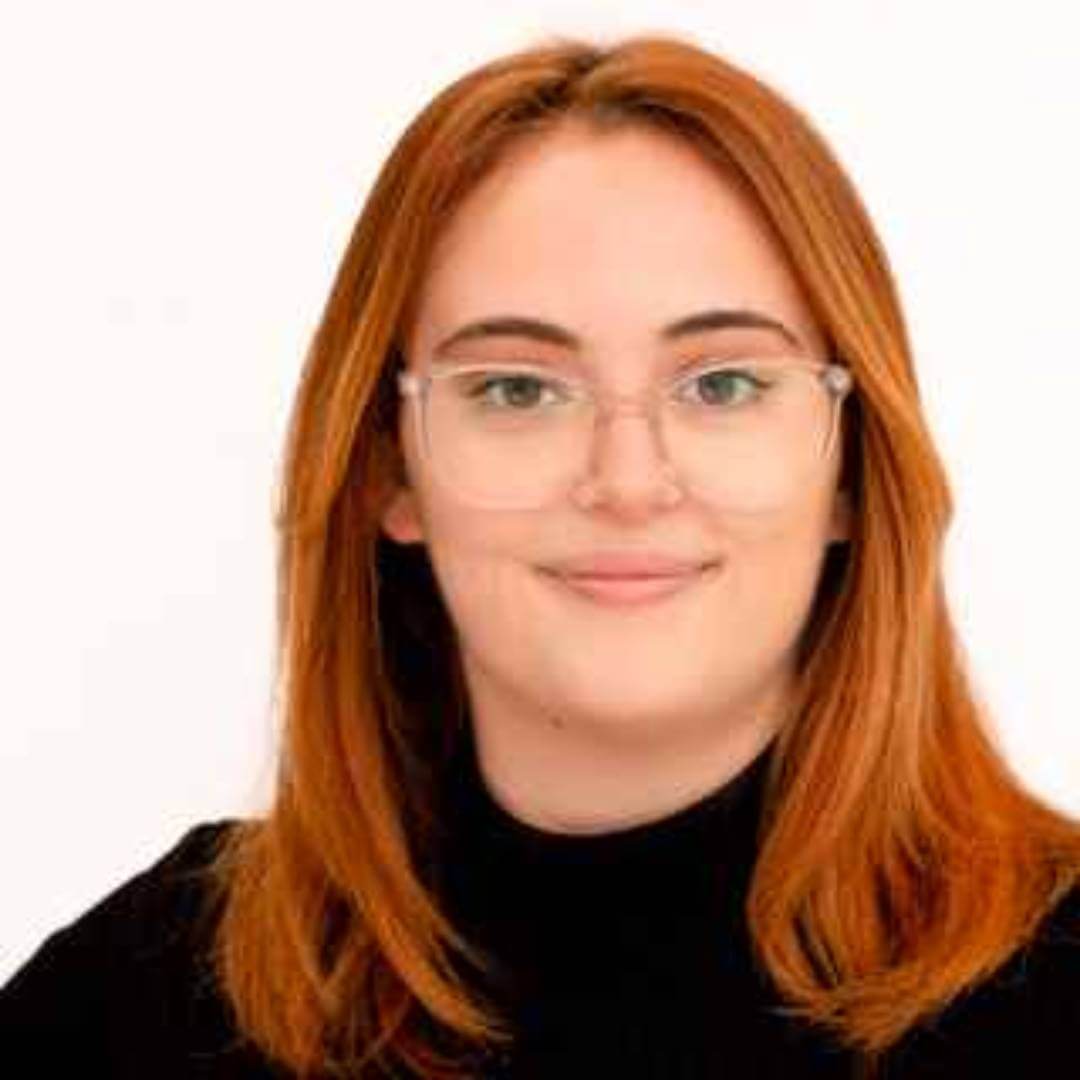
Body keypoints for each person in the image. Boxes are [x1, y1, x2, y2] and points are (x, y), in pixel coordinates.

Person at [3, 30, 1080, 1080]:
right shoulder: (144, 1005)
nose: (627, 480)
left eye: (723, 384)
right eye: (516, 388)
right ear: (390, 466)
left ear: (850, 467)